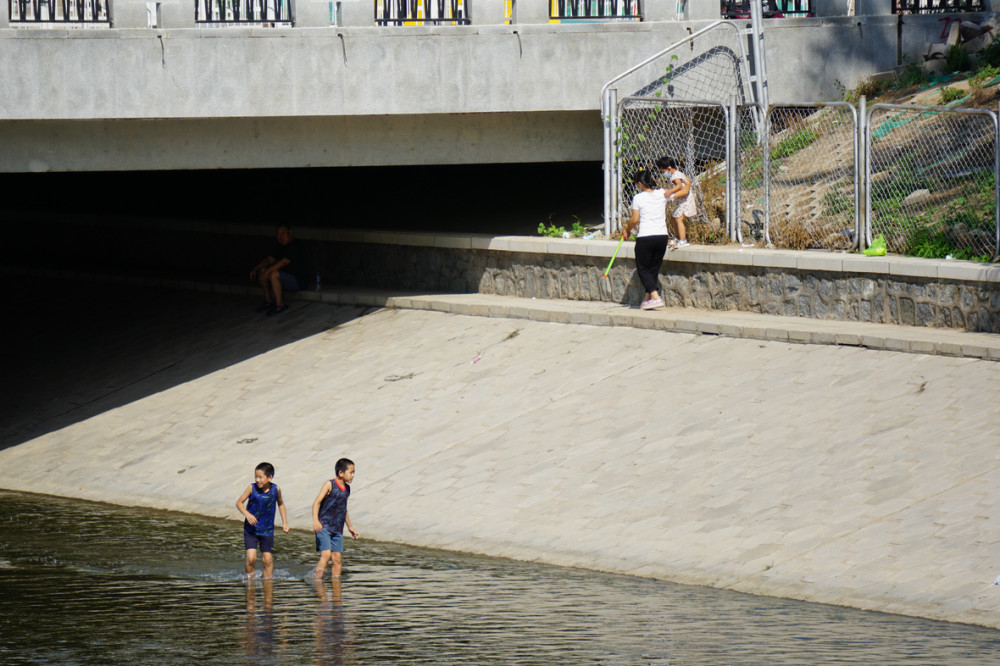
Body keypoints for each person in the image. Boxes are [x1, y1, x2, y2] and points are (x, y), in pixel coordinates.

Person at [621, 169, 670, 310]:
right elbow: (681, 189)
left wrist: (627, 229)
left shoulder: (639, 198)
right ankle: (647, 299)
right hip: (662, 236)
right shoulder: (662, 194)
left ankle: (656, 297)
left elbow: (635, 219)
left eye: (637, 184)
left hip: (646, 237)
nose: (637, 187)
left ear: (641, 184)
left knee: (643, 268)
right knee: (653, 269)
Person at [236, 461, 290, 579]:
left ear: (270, 477)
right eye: (256, 476)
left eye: (260, 477)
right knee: (251, 558)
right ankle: (249, 582)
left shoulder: (276, 489)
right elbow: (239, 502)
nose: (257, 480)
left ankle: (268, 584)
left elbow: (281, 504)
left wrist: (285, 523)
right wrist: (247, 514)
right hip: (251, 530)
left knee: (267, 560)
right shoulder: (252, 488)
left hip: (267, 530)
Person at [312, 458, 361, 579]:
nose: (353, 475)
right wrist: (315, 520)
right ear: (341, 473)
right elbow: (316, 503)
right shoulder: (330, 484)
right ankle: (317, 581)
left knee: (337, 559)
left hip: (337, 529)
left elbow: (343, 509)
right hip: (324, 526)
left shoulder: (347, 489)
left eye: (354, 472)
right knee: (326, 555)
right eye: (351, 472)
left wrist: (350, 527)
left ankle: (336, 589)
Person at [248, 224, 307, 316]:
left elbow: (284, 262)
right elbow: (270, 259)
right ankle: (268, 301)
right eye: (278, 234)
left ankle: (280, 305)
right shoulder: (280, 246)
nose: (280, 237)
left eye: (283, 233)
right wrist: (256, 268)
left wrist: (267, 272)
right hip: (284, 279)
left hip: (298, 281)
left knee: (273, 274)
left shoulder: (296, 245)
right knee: (263, 271)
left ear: (290, 233)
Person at [656, 156, 695, 248]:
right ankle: (677, 238)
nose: (663, 174)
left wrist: (670, 192)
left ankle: (682, 240)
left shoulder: (675, 176)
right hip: (682, 200)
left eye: (663, 171)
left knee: (678, 219)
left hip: (684, 201)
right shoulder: (679, 173)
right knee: (674, 217)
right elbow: (688, 180)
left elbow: (678, 185)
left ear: (669, 168)